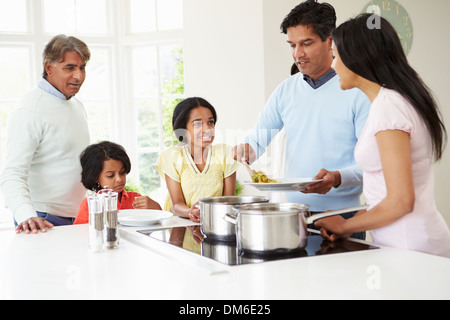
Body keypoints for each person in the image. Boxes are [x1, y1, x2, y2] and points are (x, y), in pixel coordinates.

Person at [314, 14, 450, 258]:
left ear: (357, 55)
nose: (332, 65)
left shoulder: (389, 106)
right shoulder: (394, 100)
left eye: (335, 55)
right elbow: (387, 195)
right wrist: (355, 222)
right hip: (407, 243)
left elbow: (401, 201)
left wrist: (344, 225)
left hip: (411, 247)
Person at [233, 0, 370, 238]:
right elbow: (259, 137)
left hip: (344, 214)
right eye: (292, 45)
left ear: (330, 40)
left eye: (306, 43)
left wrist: (336, 178)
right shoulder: (286, 90)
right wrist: (248, 147)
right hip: (294, 215)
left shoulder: (358, 91)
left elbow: (373, 164)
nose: (298, 54)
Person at [0, 35, 91, 234]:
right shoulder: (30, 109)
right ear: (49, 68)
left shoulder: (75, 105)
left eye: (82, 67)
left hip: (78, 216)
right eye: (69, 68)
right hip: (43, 220)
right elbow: (12, 173)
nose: (78, 76)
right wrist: (26, 215)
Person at [155, 97, 240, 223]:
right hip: (182, 225)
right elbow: (177, 204)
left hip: (218, 223)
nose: (207, 129)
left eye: (210, 122)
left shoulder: (225, 154)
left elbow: (227, 201)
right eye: (197, 124)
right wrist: (190, 212)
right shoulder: (172, 157)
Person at [74, 141, 161, 224]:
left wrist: (155, 207)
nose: (119, 179)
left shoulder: (135, 199)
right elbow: (79, 233)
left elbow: (160, 223)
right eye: (111, 175)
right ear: (95, 177)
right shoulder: (90, 204)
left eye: (122, 172)